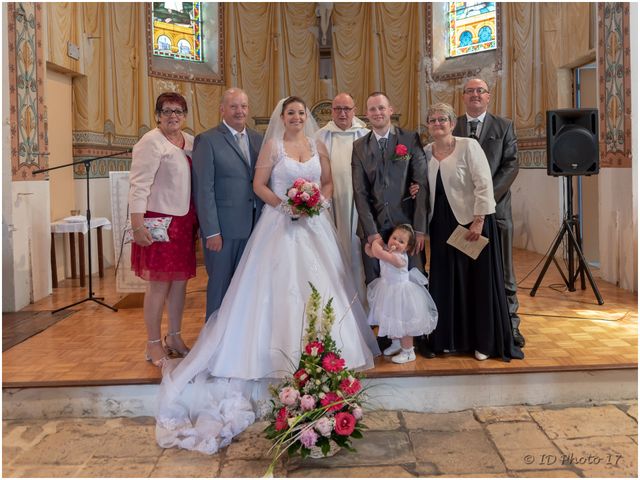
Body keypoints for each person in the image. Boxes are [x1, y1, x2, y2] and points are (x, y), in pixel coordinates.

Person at [155, 96, 380, 454]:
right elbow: (259, 186)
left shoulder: (317, 143)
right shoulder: (272, 146)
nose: (296, 117)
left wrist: (316, 202)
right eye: (290, 112)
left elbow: (327, 183)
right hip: (279, 225)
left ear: (307, 117)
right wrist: (287, 204)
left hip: (314, 225)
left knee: (324, 286)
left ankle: (327, 351)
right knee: (273, 289)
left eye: (301, 113)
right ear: (282, 116)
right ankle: (269, 354)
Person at [422, 102, 523, 362]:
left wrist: (479, 220)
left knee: (477, 283)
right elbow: (422, 185)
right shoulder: (425, 152)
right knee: (444, 283)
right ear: (428, 125)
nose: (437, 123)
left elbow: (484, 184)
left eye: (442, 119)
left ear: (452, 122)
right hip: (441, 225)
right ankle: (447, 340)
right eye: (432, 120)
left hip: (471, 223)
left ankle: (484, 342)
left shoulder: (469, 146)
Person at [351, 91, 430, 355]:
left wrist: (419, 228)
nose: (377, 113)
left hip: (406, 228)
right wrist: (371, 234)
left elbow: (422, 183)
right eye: (372, 109)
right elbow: (359, 193)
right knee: (380, 285)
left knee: (409, 283)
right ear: (366, 114)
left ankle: (414, 340)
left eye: (381, 108)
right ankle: (388, 336)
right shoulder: (360, 147)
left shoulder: (408, 139)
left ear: (390, 109)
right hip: (375, 227)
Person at [452, 78, 524, 348]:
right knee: (465, 270)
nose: (475, 95)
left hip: (497, 211)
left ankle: (511, 324)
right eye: (470, 91)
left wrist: (483, 202)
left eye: (480, 91)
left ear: (489, 96)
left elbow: (511, 166)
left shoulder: (504, 126)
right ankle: (467, 327)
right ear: (463, 97)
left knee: (504, 271)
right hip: (459, 213)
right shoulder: (453, 125)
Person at [129, 92, 198, 367]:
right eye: (167, 111)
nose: (173, 116)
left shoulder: (190, 141)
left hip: (184, 222)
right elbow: (139, 185)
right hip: (159, 222)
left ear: (185, 116)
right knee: (159, 285)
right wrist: (137, 224)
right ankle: (153, 343)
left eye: (179, 111)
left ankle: (175, 337)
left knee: (180, 284)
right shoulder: (150, 142)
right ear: (157, 115)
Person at [191, 88, 264, 319]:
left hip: (255, 226)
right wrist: (211, 231)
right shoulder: (208, 140)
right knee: (220, 286)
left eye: (243, 106)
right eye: (233, 106)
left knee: (248, 286)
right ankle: (214, 341)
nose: (239, 111)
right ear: (222, 109)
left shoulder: (259, 139)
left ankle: (239, 339)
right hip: (224, 230)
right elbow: (204, 189)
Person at [315, 92, 369, 304]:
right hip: (331, 204)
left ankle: (362, 303)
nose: (342, 113)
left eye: (347, 109)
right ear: (332, 111)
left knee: (358, 252)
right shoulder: (321, 136)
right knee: (334, 253)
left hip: (360, 205)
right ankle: (336, 303)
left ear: (354, 110)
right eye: (338, 109)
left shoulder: (365, 134)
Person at [365, 224, 438, 364]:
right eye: (394, 238)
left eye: (401, 242)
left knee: (404, 324)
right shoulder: (386, 250)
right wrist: (372, 245)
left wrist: (376, 241)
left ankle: (408, 351)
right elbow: (369, 251)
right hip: (388, 291)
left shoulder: (400, 259)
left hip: (402, 295)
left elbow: (377, 252)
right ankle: (396, 344)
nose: (396, 243)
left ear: (407, 248)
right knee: (392, 319)